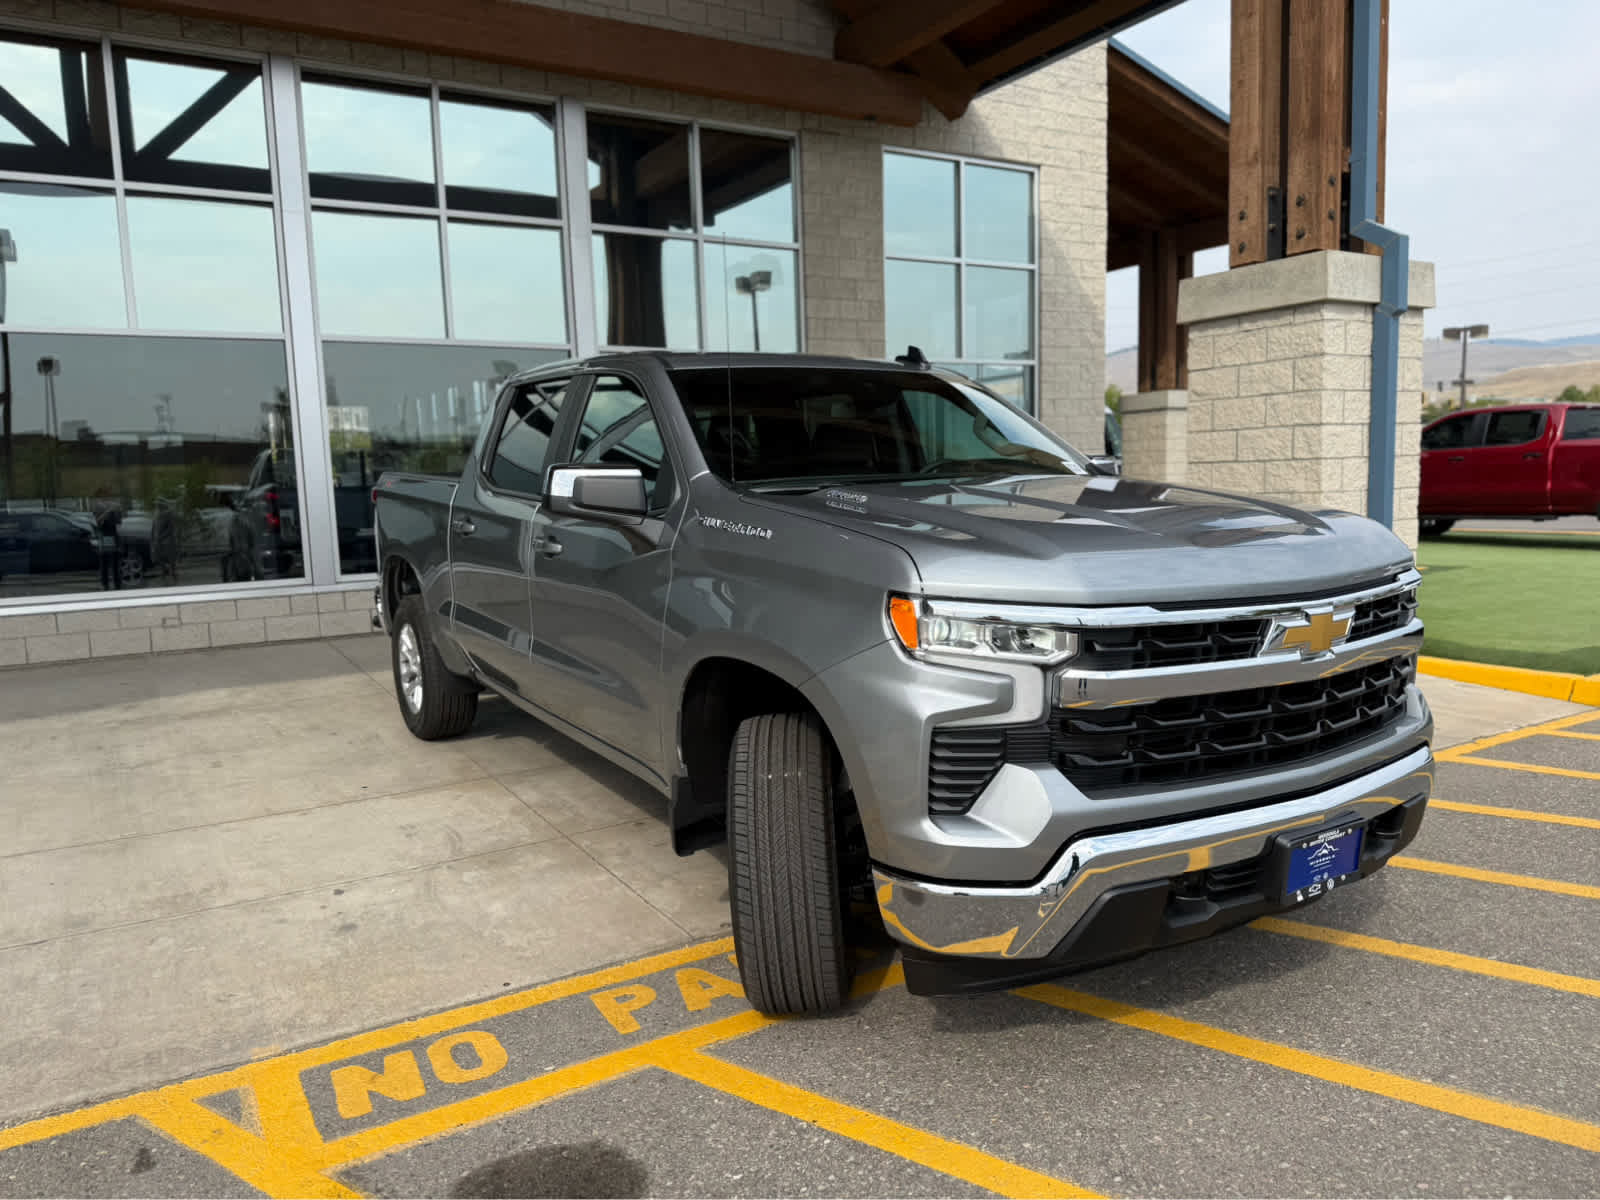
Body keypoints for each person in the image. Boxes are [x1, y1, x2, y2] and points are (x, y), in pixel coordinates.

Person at [91, 486, 123, 591]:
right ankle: (105, 584)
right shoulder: (97, 506)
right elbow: (98, 522)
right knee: (104, 561)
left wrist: (118, 512)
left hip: (113, 534)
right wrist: (108, 511)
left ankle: (117, 584)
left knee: (115, 561)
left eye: (108, 494)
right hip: (104, 534)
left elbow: (119, 522)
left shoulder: (113, 505)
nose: (107, 496)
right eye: (105, 494)